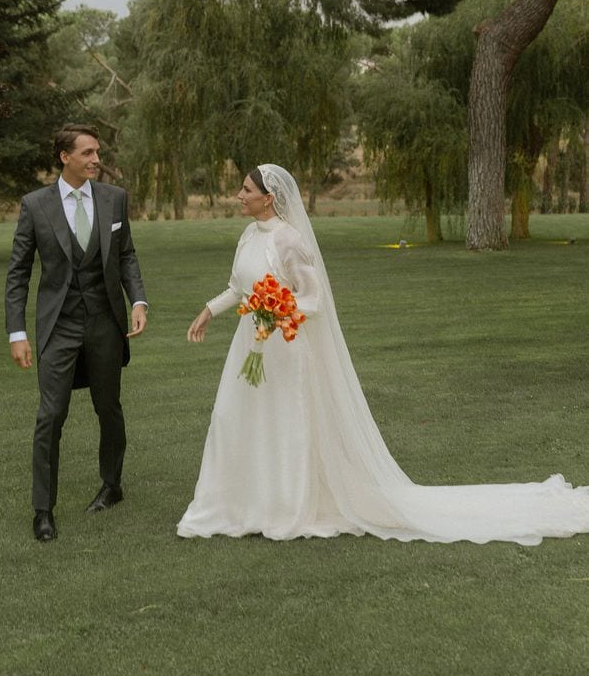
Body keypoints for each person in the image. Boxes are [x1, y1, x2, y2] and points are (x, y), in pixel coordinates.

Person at [178, 164, 589, 543]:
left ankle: (285, 506)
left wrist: (277, 313)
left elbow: (314, 299)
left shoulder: (289, 239)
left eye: (245, 189)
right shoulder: (250, 235)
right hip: (249, 346)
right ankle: (240, 501)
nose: (238, 195)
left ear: (268, 197)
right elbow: (239, 286)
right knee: (236, 417)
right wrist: (209, 311)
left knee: (283, 422)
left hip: (283, 347)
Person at [5, 124, 147, 542]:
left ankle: (112, 485)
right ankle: (43, 509)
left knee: (109, 407)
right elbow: (17, 274)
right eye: (87, 152)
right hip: (59, 325)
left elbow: (126, 255)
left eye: (97, 152)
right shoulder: (35, 206)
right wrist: (17, 331)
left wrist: (138, 301)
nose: (96, 159)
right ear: (64, 157)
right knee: (50, 415)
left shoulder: (114, 199)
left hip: (106, 321)